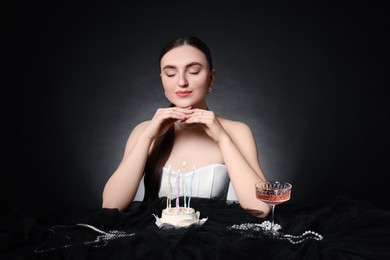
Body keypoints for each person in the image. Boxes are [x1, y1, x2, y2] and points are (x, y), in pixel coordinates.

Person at [102, 36, 270, 217]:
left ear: (211, 78)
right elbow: (111, 206)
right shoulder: (143, 131)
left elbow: (261, 208)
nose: (181, 82)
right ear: (162, 80)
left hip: (213, 240)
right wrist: (147, 138)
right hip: (156, 240)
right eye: (171, 74)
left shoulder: (237, 131)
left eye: (194, 71)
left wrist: (223, 139)